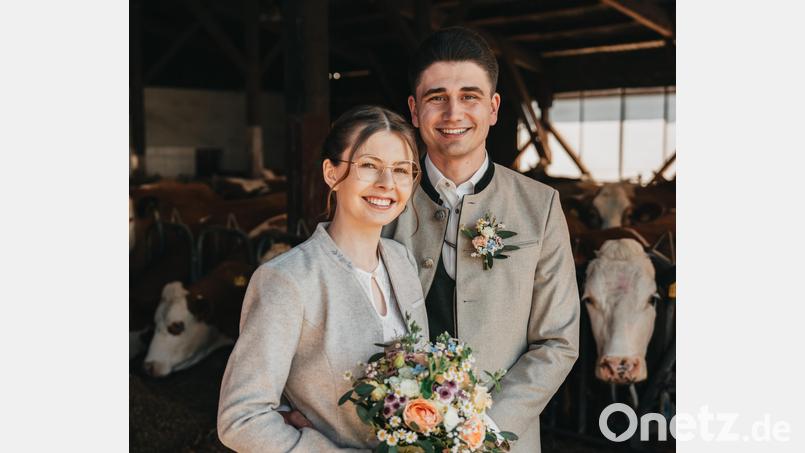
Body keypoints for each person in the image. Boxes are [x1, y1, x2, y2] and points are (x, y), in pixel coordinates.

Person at [382, 27, 580, 453]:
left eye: (470, 96)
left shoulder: (540, 206)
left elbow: (558, 341)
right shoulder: (382, 202)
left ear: (493, 108)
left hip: (501, 441)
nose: (454, 112)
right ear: (415, 110)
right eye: (437, 97)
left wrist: (485, 429)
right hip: (391, 436)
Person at [217, 105, 428, 452]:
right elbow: (241, 419)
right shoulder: (286, 279)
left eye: (402, 170)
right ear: (331, 173)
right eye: (369, 166)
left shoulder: (401, 259)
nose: (387, 184)